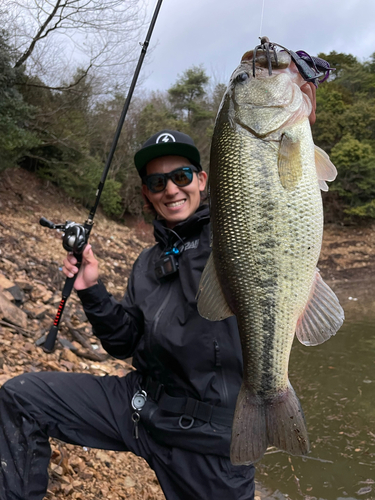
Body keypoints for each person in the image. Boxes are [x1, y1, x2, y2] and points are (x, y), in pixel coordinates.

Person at [0, 80, 317, 500]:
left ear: (205, 180)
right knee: (21, 398)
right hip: (140, 406)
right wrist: (91, 290)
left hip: (205, 437)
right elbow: (123, 342)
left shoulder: (228, 236)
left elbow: (277, 182)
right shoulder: (147, 263)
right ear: (148, 195)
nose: (170, 188)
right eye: (156, 183)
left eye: (181, 175)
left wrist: (299, 99)